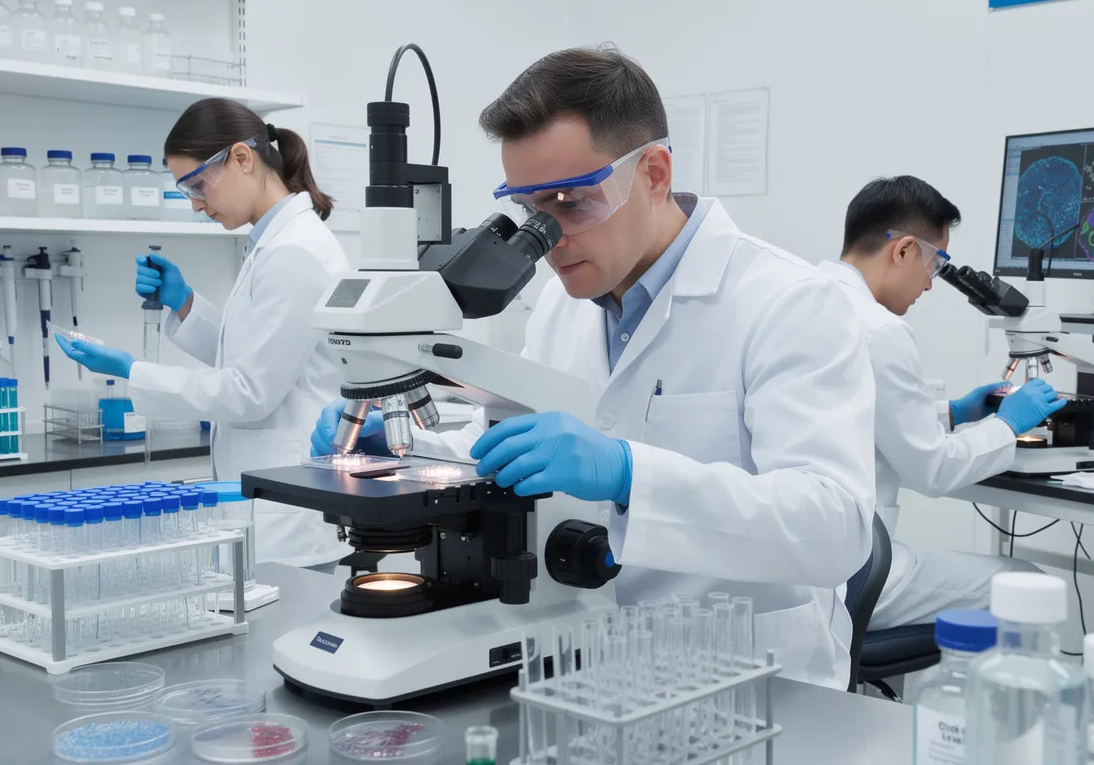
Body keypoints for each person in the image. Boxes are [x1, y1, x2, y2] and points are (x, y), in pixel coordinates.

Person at [312, 47, 878, 689]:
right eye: (531, 212)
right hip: (588, 667)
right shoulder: (561, 303)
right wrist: (408, 447)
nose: (551, 241)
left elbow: (836, 529)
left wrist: (630, 474)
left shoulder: (790, 301)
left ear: (655, 173)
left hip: (751, 680)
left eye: (570, 202)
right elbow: (523, 445)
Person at [57, 98, 353, 569]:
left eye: (198, 184)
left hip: (289, 517)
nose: (196, 204)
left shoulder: (295, 251)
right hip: (270, 499)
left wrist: (130, 370)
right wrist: (185, 302)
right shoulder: (272, 242)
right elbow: (251, 353)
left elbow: (249, 390)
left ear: (241, 158)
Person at [817, 175, 1062, 631]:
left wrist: (952, 413)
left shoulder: (806, 297)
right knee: (1027, 583)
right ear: (904, 249)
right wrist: (1008, 425)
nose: (930, 285)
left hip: (805, 554)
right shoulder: (881, 330)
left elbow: (850, 414)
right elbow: (932, 470)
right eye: (935, 263)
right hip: (850, 569)